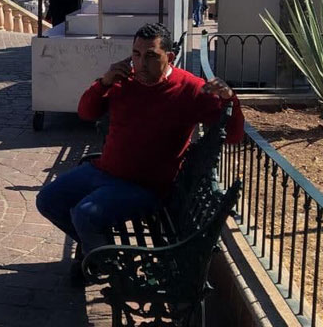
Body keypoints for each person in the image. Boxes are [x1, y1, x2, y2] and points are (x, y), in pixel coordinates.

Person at [35, 23, 244, 282]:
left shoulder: (190, 89)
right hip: (104, 170)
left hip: (146, 187)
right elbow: (86, 113)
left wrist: (230, 98)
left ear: (170, 57)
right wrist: (104, 82)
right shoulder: (124, 81)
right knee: (48, 200)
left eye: (151, 56)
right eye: (136, 54)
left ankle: (113, 269)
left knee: (84, 214)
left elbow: (233, 135)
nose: (141, 63)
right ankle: (97, 251)